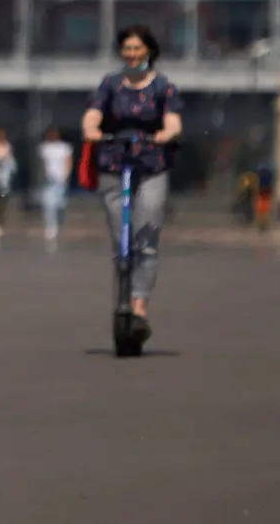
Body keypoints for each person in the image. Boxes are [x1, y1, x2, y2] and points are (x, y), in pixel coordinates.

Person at [81, 25, 183, 344]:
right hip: (114, 163)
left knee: (146, 240)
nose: (132, 54)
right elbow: (92, 115)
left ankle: (139, 307)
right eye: (127, 48)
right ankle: (122, 298)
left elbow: (173, 121)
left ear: (149, 51)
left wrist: (166, 134)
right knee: (120, 242)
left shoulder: (164, 87)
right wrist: (92, 130)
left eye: (138, 49)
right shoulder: (110, 84)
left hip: (151, 165)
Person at [37, 126, 73, 244]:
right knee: (48, 205)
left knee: (60, 205)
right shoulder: (44, 148)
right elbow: (41, 163)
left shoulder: (64, 148)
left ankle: (59, 223)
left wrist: (66, 176)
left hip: (60, 179)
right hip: (48, 180)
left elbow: (68, 161)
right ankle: (50, 227)